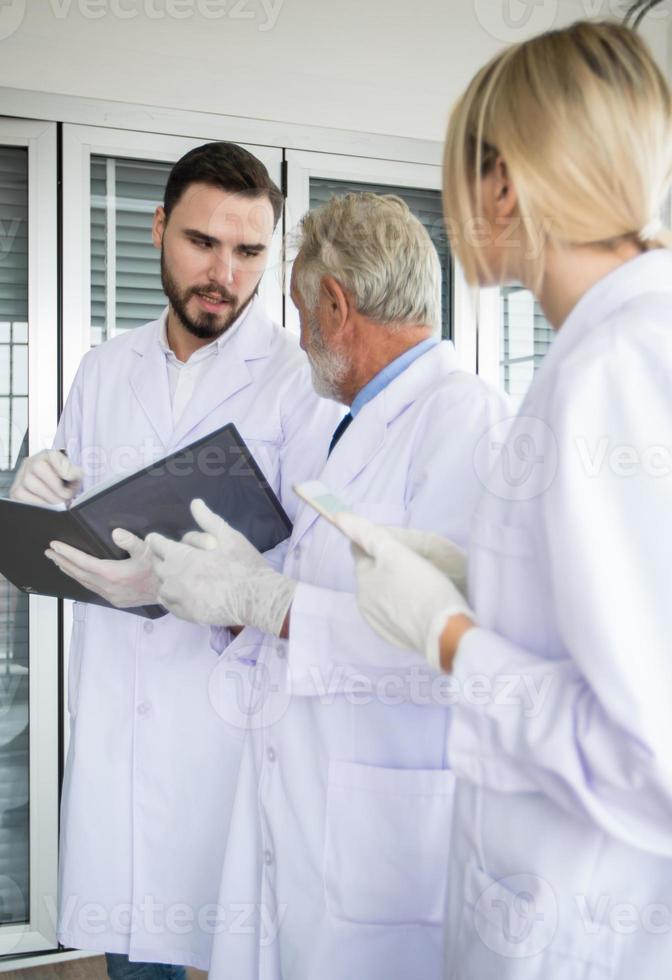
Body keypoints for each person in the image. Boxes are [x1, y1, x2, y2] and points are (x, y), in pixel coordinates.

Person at [340, 23, 672, 979]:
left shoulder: (625, 371)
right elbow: (638, 632)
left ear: (504, 185)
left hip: (620, 934)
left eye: (457, 177)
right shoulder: (625, 352)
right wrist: (477, 585)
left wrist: (450, 638)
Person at [141, 193, 510, 979]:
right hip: (314, 801)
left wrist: (266, 601)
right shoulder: (355, 424)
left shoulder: (463, 424)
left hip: (385, 838)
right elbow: (335, 594)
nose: (300, 336)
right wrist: (242, 588)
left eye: (302, 310)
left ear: (334, 305)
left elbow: (446, 643)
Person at [9, 142, 339, 979]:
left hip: (235, 725)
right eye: (201, 242)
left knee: (247, 946)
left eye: (250, 252)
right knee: (138, 957)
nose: (223, 273)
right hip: (123, 710)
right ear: (158, 229)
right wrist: (35, 504)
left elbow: (323, 581)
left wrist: (215, 590)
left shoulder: (300, 382)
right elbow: (69, 536)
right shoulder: (102, 370)